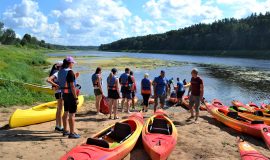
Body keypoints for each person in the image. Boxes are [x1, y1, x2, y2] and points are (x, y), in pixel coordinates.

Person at [58, 56, 80, 138]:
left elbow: (64, 82)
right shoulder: (70, 72)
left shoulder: (60, 71)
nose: (73, 64)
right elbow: (72, 86)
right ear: (70, 63)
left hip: (64, 94)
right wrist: (76, 98)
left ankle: (65, 130)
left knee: (66, 112)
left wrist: (75, 77)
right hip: (71, 95)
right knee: (72, 114)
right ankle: (72, 133)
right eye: (72, 63)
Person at [46, 61, 63, 132]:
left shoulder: (58, 73)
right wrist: (56, 85)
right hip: (59, 92)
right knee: (60, 109)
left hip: (57, 92)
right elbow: (48, 80)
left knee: (59, 109)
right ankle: (60, 126)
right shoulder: (58, 73)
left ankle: (57, 125)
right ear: (60, 67)